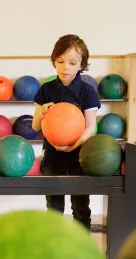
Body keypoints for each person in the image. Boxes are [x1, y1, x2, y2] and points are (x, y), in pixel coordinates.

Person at [32, 34, 100, 231]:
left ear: (81, 65)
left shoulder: (87, 92)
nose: (65, 67)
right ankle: (54, 250)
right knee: (54, 208)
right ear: (54, 60)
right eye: (60, 61)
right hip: (53, 157)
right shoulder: (45, 90)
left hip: (80, 156)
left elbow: (90, 128)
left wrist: (72, 145)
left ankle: (82, 250)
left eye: (72, 62)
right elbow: (36, 127)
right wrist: (42, 110)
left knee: (80, 207)